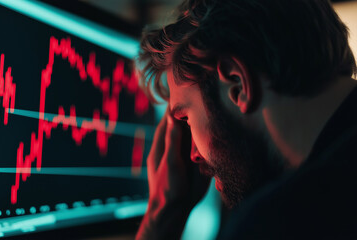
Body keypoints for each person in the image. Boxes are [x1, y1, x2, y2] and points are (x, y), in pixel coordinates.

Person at [135, 0, 357, 239]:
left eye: (186, 118)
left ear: (237, 84)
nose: (193, 154)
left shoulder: (279, 222)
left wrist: (161, 217)